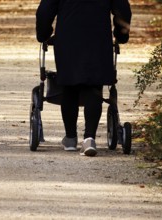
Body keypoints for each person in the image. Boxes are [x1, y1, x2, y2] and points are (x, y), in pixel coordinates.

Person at [36, 0, 132, 156]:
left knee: (69, 85)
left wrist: (43, 34)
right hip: (98, 40)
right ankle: (89, 138)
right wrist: (121, 35)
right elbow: (123, 9)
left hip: (68, 39)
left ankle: (71, 138)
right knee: (94, 86)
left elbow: (44, 11)